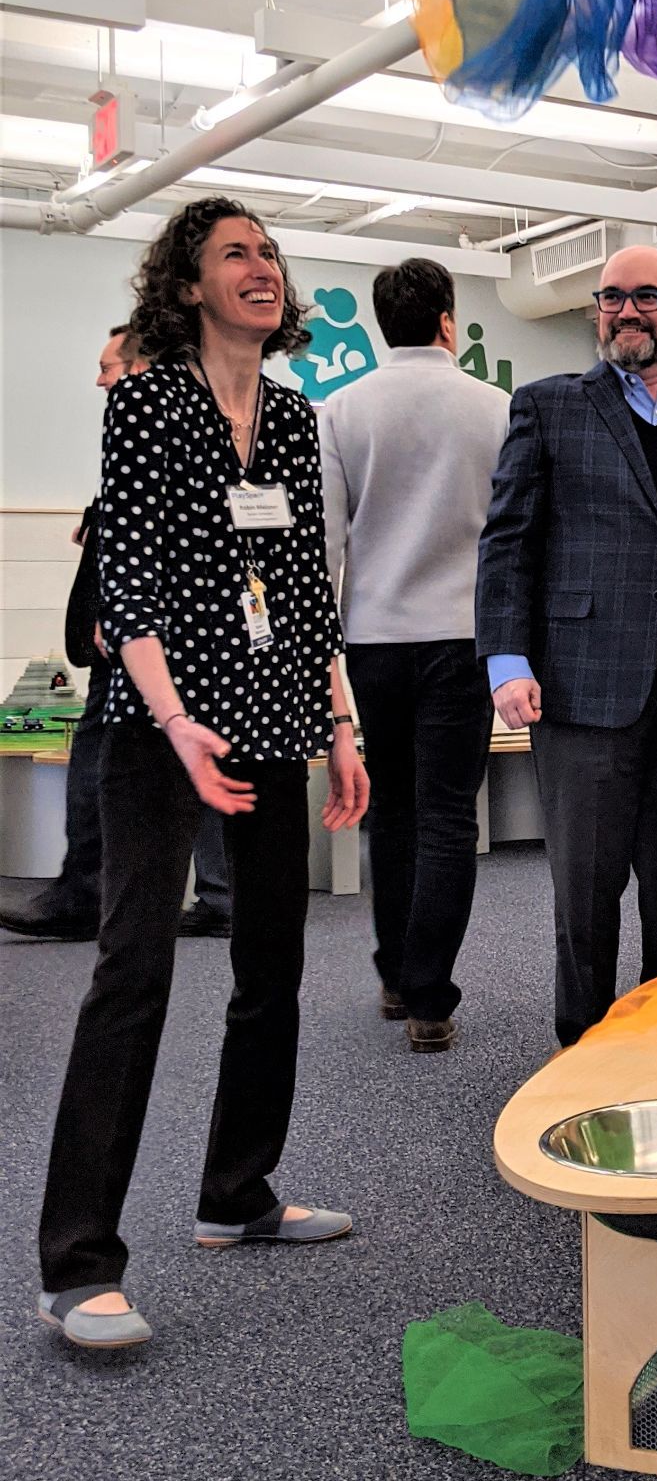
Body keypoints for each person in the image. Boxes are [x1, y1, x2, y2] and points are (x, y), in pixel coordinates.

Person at [35, 197, 369, 1351]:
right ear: (188, 286)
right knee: (133, 972)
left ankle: (237, 1193)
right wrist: (176, 720)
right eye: (236, 253)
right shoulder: (147, 402)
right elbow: (126, 581)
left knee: (273, 959)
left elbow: (307, 585)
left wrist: (341, 724)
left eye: (269, 252)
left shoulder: (293, 417)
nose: (261, 266)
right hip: (158, 725)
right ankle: (77, 1263)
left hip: (272, 716)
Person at [476, 244, 657, 1047]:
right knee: (585, 898)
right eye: (612, 297)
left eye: (647, 295)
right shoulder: (548, 405)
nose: (626, 311)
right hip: (581, 690)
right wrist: (506, 661)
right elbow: (507, 541)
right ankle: (580, 1057)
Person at [319, 256, 508, 1053]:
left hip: (374, 638)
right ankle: (430, 998)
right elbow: (510, 533)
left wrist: (324, 658)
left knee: (392, 807)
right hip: (463, 636)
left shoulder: (342, 408)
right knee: (448, 816)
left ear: (379, 322)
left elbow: (327, 542)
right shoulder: (496, 407)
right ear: (448, 320)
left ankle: (394, 975)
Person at [0, 326, 231, 942]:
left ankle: (86, 894)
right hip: (167, 628)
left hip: (143, 632)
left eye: (108, 367)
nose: (100, 380)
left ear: (140, 369)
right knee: (189, 745)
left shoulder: (163, 426)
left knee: (103, 751)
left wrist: (121, 610)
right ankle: (216, 893)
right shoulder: (184, 426)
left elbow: (166, 534)